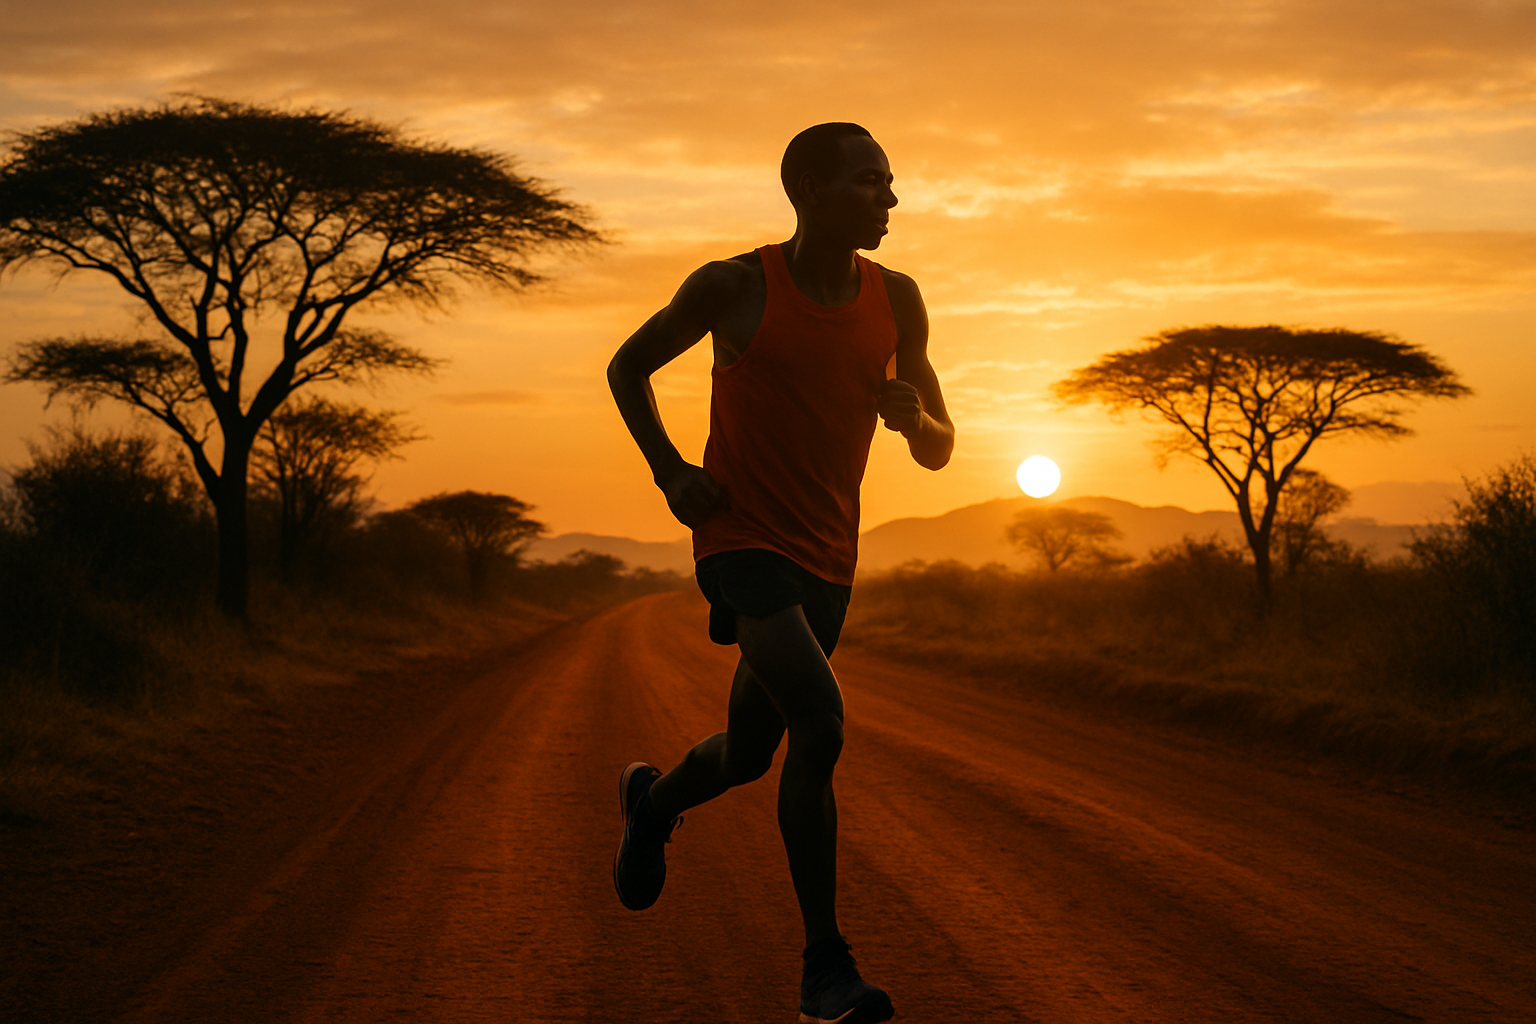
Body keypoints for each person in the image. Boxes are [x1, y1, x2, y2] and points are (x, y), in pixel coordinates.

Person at [606, 121, 953, 1024]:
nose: (890, 199)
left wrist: (914, 421)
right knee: (822, 722)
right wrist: (672, 470)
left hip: (829, 555)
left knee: (752, 754)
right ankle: (825, 965)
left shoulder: (899, 299)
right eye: (870, 182)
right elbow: (628, 367)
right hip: (740, 541)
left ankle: (653, 802)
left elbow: (941, 453)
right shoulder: (733, 286)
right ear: (810, 193)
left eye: (890, 182)